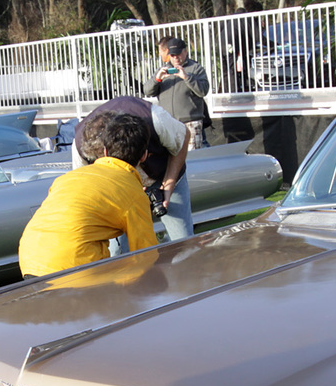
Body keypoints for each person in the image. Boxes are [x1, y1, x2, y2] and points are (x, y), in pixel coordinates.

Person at [19, 112, 158, 278]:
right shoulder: (133, 193)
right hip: (74, 267)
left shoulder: (69, 177)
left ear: (104, 151)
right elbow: (146, 256)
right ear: (144, 155)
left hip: (30, 259)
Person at [74, 94, 192, 245]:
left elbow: (183, 138)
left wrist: (169, 184)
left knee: (183, 240)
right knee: (116, 250)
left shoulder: (157, 119)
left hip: (163, 174)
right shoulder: (79, 148)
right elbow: (87, 188)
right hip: (117, 189)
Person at [145, 36, 210, 149]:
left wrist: (187, 77)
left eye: (178, 54)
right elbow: (147, 91)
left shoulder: (195, 68)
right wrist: (157, 79)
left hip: (190, 123)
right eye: (172, 55)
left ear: (185, 51)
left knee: (192, 159)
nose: (175, 58)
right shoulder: (163, 70)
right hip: (168, 123)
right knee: (169, 158)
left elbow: (203, 91)